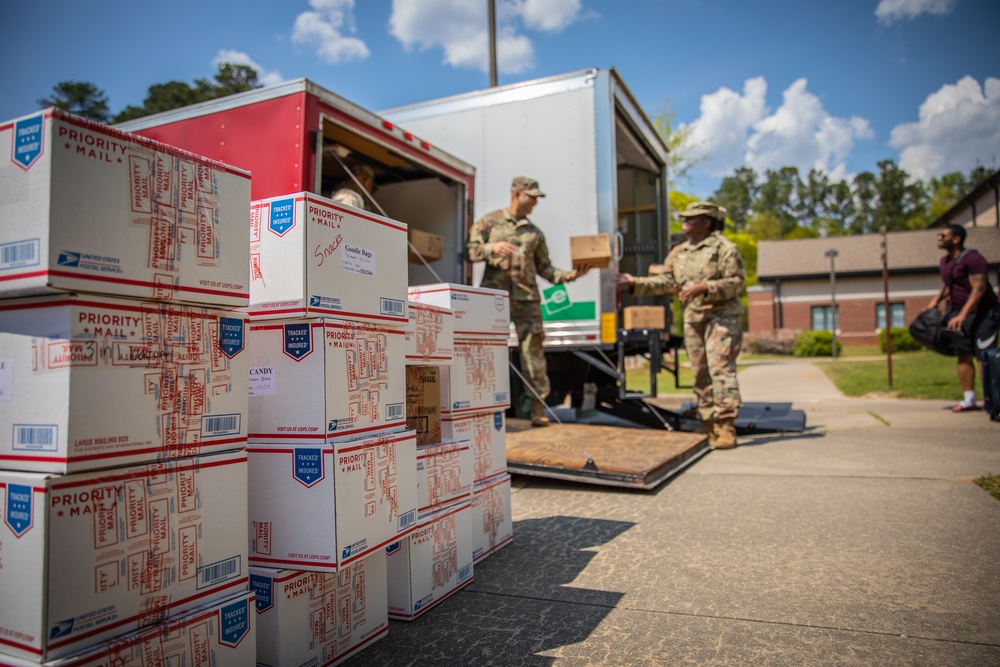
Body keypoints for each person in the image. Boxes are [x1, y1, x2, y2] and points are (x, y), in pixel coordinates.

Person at [615, 201, 746, 449]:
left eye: (691, 218)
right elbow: (666, 281)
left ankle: (726, 425)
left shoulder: (724, 248)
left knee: (720, 368)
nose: (684, 222)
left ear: (706, 222)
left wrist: (704, 287)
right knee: (699, 370)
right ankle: (706, 422)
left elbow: (736, 282)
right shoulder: (679, 252)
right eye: (684, 218)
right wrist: (634, 282)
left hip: (722, 317)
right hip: (693, 318)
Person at [467, 176, 589, 427]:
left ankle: (537, 408)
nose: (535, 202)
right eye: (531, 196)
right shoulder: (489, 222)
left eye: (536, 198)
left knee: (532, 353)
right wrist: (492, 248)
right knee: (486, 351)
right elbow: (471, 252)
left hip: (527, 300)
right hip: (493, 298)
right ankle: (481, 405)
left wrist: (571, 276)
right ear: (516, 193)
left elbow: (546, 269)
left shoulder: (535, 233)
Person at [927, 224, 1000, 413]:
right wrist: (935, 301)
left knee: (984, 357)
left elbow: (979, 288)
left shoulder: (974, 258)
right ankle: (969, 399)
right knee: (963, 355)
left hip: (983, 315)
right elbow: (951, 286)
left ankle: (992, 399)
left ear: (956, 238)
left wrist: (963, 314)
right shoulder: (945, 262)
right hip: (958, 316)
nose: (939, 238)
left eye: (943, 235)